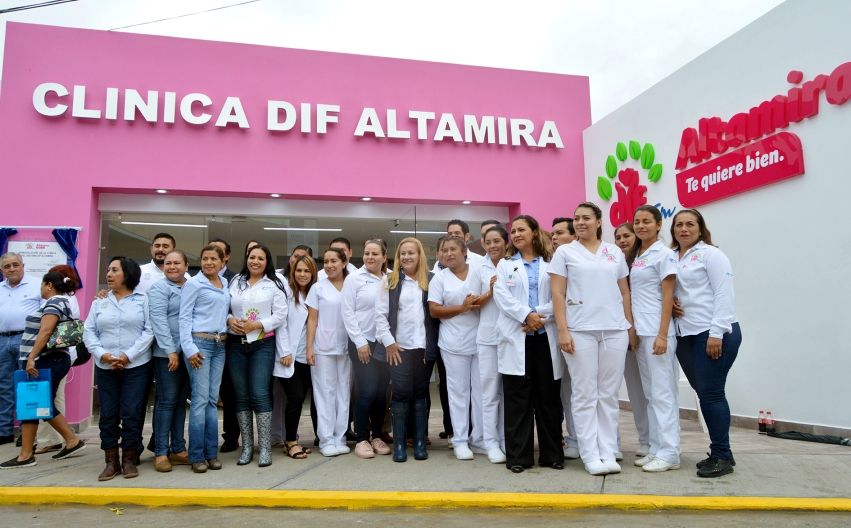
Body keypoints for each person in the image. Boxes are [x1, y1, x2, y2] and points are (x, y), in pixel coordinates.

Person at [550, 202, 636, 476]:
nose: (580, 222)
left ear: (599, 222)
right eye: (576, 218)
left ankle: (608, 451)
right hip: (579, 330)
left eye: (586, 217)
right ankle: (590, 454)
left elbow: (624, 292)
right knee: (585, 394)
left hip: (614, 329)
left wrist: (629, 326)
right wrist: (563, 330)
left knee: (608, 395)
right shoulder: (565, 252)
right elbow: (557, 294)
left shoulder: (613, 252)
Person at [670, 209, 741, 478]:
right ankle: (722, 451)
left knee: (712, 394)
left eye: (690, 224)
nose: (684, 229)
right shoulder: (672, 256)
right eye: (679, 225)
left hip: (712, 333)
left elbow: (724, 292)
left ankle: (721, 455)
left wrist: (716, 333)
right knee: (704, 393)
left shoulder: (711, 254)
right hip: (685, 334)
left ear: (700, 229)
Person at [492, 215, 564, 473]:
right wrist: (526, 315)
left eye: (521, 229)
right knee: (517, 401)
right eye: (513, 231)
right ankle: (518, 457)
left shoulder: (551, 263)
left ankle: (552, 455)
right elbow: (501, 296)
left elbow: (560, 295)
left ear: (534, 232)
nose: (516, 234)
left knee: (548, 399)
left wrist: (537, 316)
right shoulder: (505, 265)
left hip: (545, 336)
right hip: (517, 336)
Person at [0, 271, 86, 469]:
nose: (40, 289)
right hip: (49, 359)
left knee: (36, 402)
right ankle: (67, 441)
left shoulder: (54, 303)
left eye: (41, 285)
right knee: (36, 403)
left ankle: (28, 454)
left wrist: (31, 357)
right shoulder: (59, 302)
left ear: (49, 285)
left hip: (46, 359)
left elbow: (46, 331)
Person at [84, 257, 154, 480]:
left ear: (128, 274)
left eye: (115, 270)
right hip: (106, 366)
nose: (109, 274)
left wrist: (127, 356)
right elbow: (89, 331)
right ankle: (111, 460)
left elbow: (149, 331)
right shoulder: (100, 302)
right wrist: (103, 354)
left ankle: (129, 459)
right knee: (108, 414)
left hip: (136, 366)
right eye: (108, 270)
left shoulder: (143, 300)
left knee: (132, 413)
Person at [374, 237, 439, 462]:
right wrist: (389, 343)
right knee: (401, 393)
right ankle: (400, 445)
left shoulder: (432, 280)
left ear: (420, 255)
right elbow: (380, 316)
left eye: (411, 253)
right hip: (398, 349)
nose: (407, 257)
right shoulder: (390, 281)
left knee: (420, 394)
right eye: (403, 253)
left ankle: (419, 442)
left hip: (423, 348)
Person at [629, 205, 681, 473]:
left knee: (663, 394)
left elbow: (668, 295)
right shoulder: (638, 255)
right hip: (642, 331)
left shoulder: (664, 254)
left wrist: (662, 334)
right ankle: (656, 448)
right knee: (651, 394)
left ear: (659, 224)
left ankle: (670, 452)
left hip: (658, 333)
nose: (641, 226)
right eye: (637, 221)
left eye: (646, 221)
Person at [226, 244, 287, 467]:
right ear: (247, 259)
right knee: (241, 396)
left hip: (262, 344)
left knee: (260, 394)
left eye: (261, 258)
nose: (256, 261)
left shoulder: (274, 284)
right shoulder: (236, 281)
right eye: (252, 257)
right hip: (236, 344)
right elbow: (225, 308)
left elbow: (280, 315)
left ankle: (265, 448)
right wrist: (230, 320)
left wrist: (257, 325)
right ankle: (247, 447)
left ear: (267, 262)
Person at [428, 235, 483, 461]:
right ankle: (460, 439)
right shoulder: (439, 279)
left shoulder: (479, 271)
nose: (448, 253)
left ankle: (480, 439)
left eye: (453, 249)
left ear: (464, 251)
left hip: (480, 341)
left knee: (481, 393)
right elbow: (434, 310)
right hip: (453, 343)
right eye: (444, 250)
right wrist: (462, 307)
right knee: (458, 392)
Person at [179, 244, 230, 474]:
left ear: (222, 262)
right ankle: (197, 455)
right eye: (205, 258)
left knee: (211, 400)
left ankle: (211, 454)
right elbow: (184, 317)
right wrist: (189, 349)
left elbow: (221, 312)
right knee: (199, 401)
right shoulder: (194, 283)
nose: (209, 262)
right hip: (199, 345)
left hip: (220, 345)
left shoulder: (224, 283)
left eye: (213, 259)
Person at [342, 239, 391, 459]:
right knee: (367, 390)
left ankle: (377, 436)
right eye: (367, 253)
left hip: (384, 343)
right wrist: (359, 342)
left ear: (384, 257)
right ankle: (362, 438)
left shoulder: (391, 278)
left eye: (374, 254)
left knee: (381, 392)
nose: (370, 257)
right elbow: (347, 312)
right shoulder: (354, 278)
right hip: (362, 343)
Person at [147, 250, 191, 473]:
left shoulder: (191, 286)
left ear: (186, 266)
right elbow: (158, 320)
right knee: (167, 401)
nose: (172, 266)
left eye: (177, 263)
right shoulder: (159, 288)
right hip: (167, 355)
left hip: (188, 353)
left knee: (181, 401)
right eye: (168, 263)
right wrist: (170, 350)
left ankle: (178, 448)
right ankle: (161, 452)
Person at [468, 225, 508, 464]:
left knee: (508, 392)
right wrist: (492, 291)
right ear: (483, 244)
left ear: (505, 242)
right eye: (488, 242)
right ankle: (490, 442)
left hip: (512, 337)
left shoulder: (513, 263)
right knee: (490, 392)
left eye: (497, 241)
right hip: (487, 338)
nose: (492, 246)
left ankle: (505, 439)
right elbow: (471, 303)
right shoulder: (478, 267)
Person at [306, 247, 352, 457]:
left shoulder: (352, 284)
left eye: (334, 261)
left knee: (344, 392)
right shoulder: (318, 288)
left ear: (344, 262)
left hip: (348, 347)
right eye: (326, 261)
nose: (329, 265)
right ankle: (326, 440)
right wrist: (309, 348)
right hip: (323, 347)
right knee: (325, 393)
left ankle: (340, 437)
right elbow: (312, 319)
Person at [33, 265, 82, 455]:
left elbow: (46, 330)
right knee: (51, 396)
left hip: (53, 355)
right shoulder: (67, 299)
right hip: (58, 355)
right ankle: (57, 438)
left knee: (46, 398)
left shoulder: (58, 301)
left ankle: (54, 439)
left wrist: (32, 356)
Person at [274, 254, 317, 460]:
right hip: (288, 356)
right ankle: (290, 441)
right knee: (296, 397)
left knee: (302, 398)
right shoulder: (287, 294)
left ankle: (291, 440)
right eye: (299, 270)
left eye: (306, 271)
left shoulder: (314, 293)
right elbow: (280, 324)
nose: (302, 274)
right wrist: (284, 351)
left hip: (307, 356)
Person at [614, 222, 651, 459]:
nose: (622, 241)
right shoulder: (613, 266)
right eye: (617, 237)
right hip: (622, 335)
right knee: (635, 391)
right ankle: (645, 439)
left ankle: (658, 441)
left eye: (626, 236)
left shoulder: (645, 263)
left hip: (648, 332)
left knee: (652, 391)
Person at [0, 253, 42, 445]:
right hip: (2, 340)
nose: (12, 269)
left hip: (27, 340)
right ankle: (4, 431)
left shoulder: (37, 285)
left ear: (23, 266)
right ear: (2, 270)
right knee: (4, 387)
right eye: (7, 266)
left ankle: (27, 434)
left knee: (28, 386)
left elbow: (46, 314)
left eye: (15, 265)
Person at [550, 217, 579, 459]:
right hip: (557, 333)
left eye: (559, 233)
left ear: (574, 235)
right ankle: (571, 439)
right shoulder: (550, 263)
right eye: (553, 234)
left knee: (583, 392)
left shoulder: (585, 262)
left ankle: (586, 440)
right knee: (563, 392)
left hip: (581, 331)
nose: (554, 238)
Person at [209, 238, 240, 453]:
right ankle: (206, 439)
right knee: (209, 394)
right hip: (205, 343)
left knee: (230, 393)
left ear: (226, 256)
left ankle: (231, 436)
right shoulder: (199, 280)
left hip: (230, 343)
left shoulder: (235, 279)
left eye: (218, 252)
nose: (212, 258)